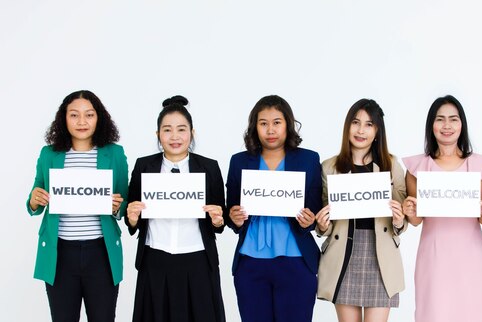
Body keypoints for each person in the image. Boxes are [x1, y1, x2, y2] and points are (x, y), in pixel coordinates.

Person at [26, 90, 128, 322]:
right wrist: (34, 199)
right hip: (59, 253)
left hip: (101, 253)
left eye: (89, 115)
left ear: (98, 118)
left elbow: (126, 203)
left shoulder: (114, 154)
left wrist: (117, 206)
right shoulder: (49, 154)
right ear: (64, 119)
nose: (82, 121)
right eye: (74, 115)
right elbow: (35, 197)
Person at [125, 95, 226, 322]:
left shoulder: (209, 167)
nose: (175, 137)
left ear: (192, 133)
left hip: (198, 260)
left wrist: (218, 220)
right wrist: (132, 218)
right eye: (167, 130)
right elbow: (132, 218)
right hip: (155, 259)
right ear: (158, 135)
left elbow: (221, 220)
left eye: (181, 129)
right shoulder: (144, 166)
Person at [225, 95, 323, 322]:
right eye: (263, 123)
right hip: (250, 263)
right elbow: (231, 210)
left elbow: (316, 209)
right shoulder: (239, 161)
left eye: (277, 122)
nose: (270, 130)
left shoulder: (308, 159)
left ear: (288, 124)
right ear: (255, 127)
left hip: (296, 262)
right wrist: (235, 218)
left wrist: (310, 220)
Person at [402, 95, 482, 322]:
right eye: (440, 119)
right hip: (433, 256)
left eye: (453, 119)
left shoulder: (481, 167)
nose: (447, 126)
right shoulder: (417, 167)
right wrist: (409, 209)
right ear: (431, 125)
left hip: (471, 255)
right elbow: (416, 221)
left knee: (475, 312)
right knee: (435, 313)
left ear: (462, 124)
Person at [315, 99, 407, 322]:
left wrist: (398, 220)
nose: (361, 130)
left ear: (377, 131)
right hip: (344, 252)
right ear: (347, 126)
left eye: (369, 124)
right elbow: (324, 222)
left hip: (381, 255)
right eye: (356, 122)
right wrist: (322, 224)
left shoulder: (390, 164)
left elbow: (402, 219)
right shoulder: (329, 167)